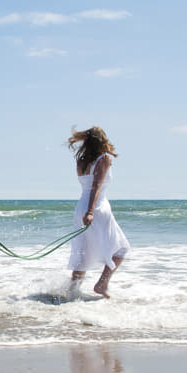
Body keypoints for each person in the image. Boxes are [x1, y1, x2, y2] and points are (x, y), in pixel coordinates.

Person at [66, 126, 131, 299]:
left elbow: (87, 185)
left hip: (81, 206)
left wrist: (86, 210)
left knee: (83, 250)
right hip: (97, 207)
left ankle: (73, 291)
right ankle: (102, 284)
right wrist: (90, 212)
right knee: (122, 248)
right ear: (102, 140)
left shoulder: (81, 160)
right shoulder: (104, 159)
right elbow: (96, 186)